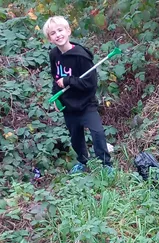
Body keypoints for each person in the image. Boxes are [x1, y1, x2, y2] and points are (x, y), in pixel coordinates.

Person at [42, 16, 112, 173]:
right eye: (53, 33)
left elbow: (90, 84)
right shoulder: (54, 55)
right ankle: (82, 161)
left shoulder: (81, 56)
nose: (58, 35)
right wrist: (56, 96)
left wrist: (68, 81)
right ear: (50, 38)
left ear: (68, 31)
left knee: (97, 132)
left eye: (60, 30)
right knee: (75, 136)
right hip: (68, 104)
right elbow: (56, 78)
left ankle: (106, 164)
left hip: (86, 103)